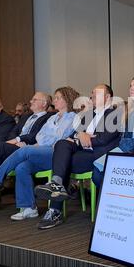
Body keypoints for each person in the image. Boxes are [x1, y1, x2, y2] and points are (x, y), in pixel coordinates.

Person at [0, 87, 80, 221]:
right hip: (42, 151)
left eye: (58, 98)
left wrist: (45, 139)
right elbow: (40, 136)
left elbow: (58, 138)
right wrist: (45, 139)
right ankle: (28, 207)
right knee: (22, 166)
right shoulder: (52, 117)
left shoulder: (73, 117)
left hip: (57, 153)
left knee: (24, 150)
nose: (54, 100)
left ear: (67, 100)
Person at [33, 84, 121, 229]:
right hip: (83, 151)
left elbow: (104, 139)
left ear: (107, 97)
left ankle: (55, 210)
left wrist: (85, 138)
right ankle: (57, 184)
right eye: (92, 93)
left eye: (97, 94)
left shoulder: (114, 115)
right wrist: (81, 134)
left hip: (97, 155)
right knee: (62, 143)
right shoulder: (88, 115)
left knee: (64, 162)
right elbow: (74, 134)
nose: (92, 96)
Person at [91, 75, 134, 187]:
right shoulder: (127, 110)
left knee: (103, 171)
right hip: (124, 149)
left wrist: (132, 149)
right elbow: (121, 136)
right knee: (97, 172)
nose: (131, 88)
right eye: (130, 86)